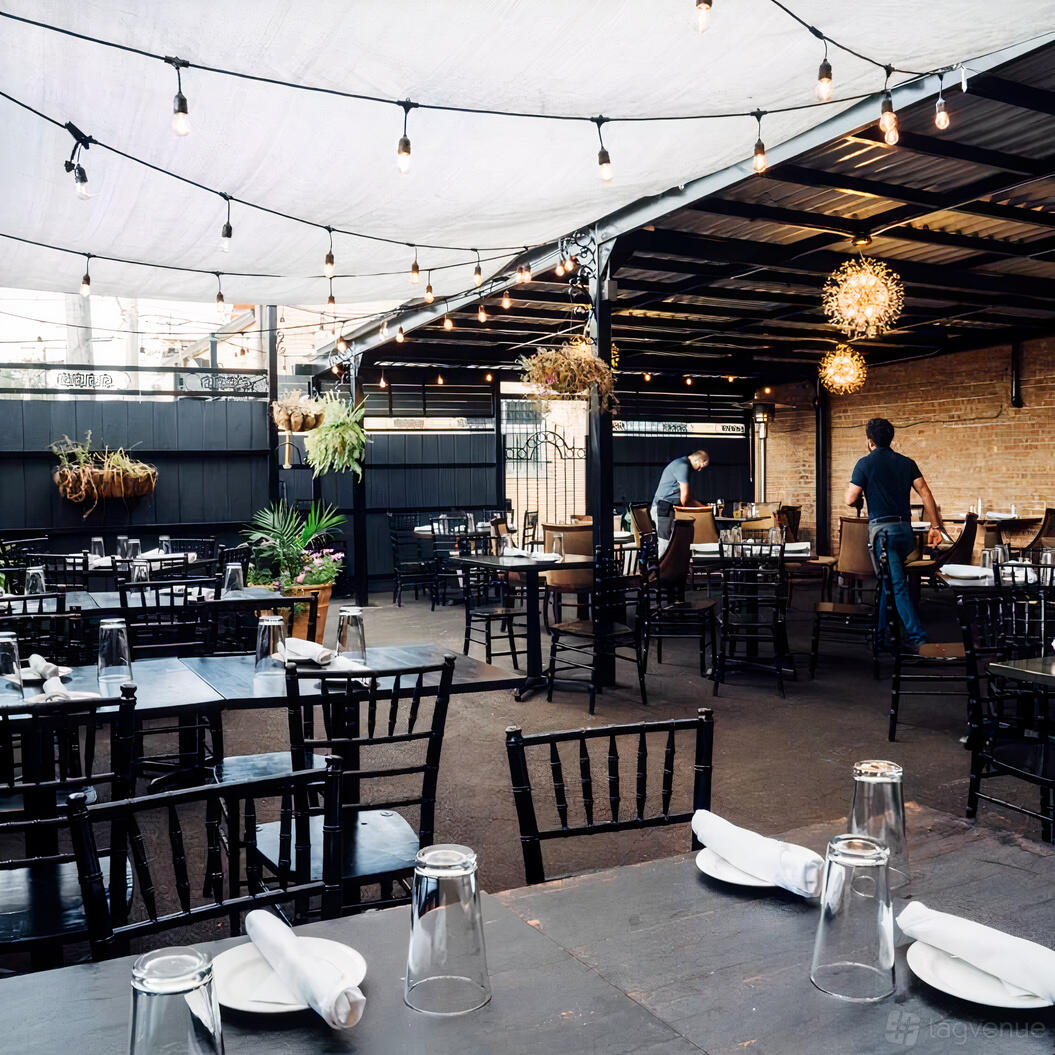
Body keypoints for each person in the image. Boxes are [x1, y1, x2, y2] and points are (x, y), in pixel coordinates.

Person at [844, 417, 944, 652]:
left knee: (896, 585)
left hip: (883, 534)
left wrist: (861, 496)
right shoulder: (906, 463)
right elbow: (926, 494)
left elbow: (850, 499)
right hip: (904, 532)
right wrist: (935, 527)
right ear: (891, 439)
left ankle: (918, 639)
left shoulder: (864, 463)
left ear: (870, 441)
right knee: (888, 581)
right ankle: (879, 635)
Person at [651, 449, 709, 555]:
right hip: (663, 507)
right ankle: (662, 570)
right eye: (701, 466)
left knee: (672, 543)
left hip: (669, 507)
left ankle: (670, 569)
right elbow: (685, 499)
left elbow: (689, 497)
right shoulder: (683, 466)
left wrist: (705, 509)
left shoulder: (684, 465)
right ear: (698, 460)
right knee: (665, 543)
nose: (700, 470)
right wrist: (702, 511)